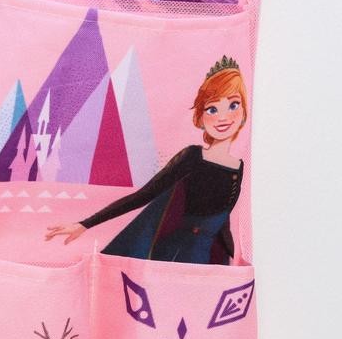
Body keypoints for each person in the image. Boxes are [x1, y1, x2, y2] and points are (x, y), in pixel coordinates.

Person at [45, 56, 247, 264]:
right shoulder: (193, 156)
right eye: (212, 109)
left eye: (233, 105)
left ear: (244, 112)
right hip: (174, 253)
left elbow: (223, 219)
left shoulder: (238, 167)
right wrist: (85, 224)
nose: (223, 117)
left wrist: (230, 259)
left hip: (210, 257)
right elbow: (145, 194)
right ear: (200, 118)